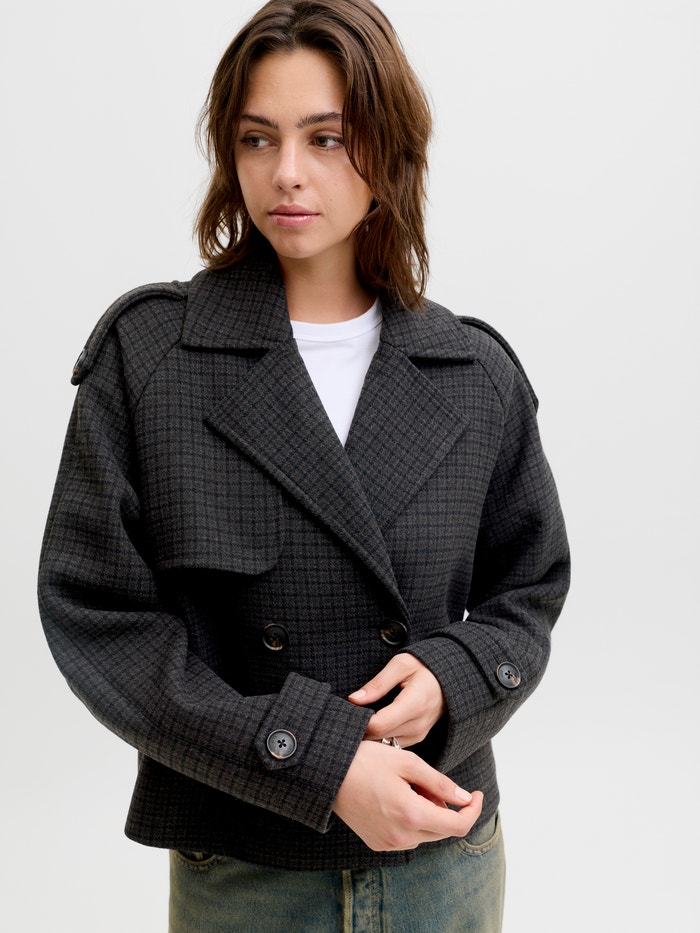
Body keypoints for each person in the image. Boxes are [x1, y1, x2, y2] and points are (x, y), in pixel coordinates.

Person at [38, 1, 570, 930]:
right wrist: (315, 760)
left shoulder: (474, 371)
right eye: (258, 137)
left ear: (389, 149)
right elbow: (99, 617)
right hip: (248, 862)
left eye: (326, 138)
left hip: (443, 850)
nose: (286, 172)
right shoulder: (152, 356)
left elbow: (530, 589)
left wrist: (454, 673)